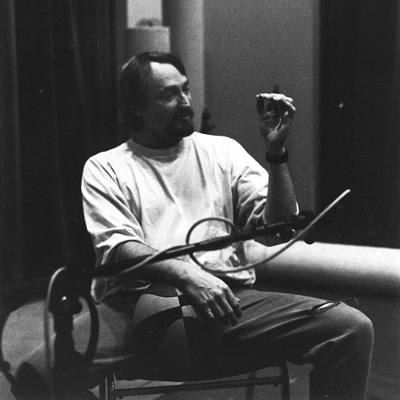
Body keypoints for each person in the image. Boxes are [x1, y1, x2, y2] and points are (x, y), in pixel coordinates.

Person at [12, 51, 373, 400]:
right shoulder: (106, 167)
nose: (185, 101)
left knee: (352, 330)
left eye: (185, 88)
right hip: (133, 304)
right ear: (136, 107)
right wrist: (189, 276)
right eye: (169, 94)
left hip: (231, 299)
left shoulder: (222, 152)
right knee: (34, 377)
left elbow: (279, 227)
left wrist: (276, 154)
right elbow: (120, 246)